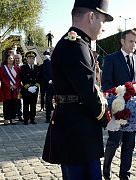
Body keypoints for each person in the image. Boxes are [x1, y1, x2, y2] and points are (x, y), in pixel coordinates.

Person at [42, 0, 113, 179]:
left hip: (78, 130)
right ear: (91, 17)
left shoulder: (78, 43)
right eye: (102, 20)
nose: (103, 27)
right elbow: (88, 91)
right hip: (77, 133)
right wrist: (108, 116)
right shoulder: (75, 45)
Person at [102, 29, 136, 180]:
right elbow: (106, 84)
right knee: (114, 142)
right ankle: (106, 171)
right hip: (117, 109)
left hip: (135, 112)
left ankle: (124, 174)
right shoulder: (111, 59)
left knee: (130, 144)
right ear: (122, 41)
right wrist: (117, 99)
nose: (133, 44)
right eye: (130, 41)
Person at [19, 51, 41, 125]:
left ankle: (32, 119)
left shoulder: (37, 67)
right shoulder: (23, 67)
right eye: (30, 58)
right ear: (27, 59)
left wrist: (36, 85)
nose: (31, 60)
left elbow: (39, 78)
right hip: (26, 89)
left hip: (34, 88)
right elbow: (21, 77)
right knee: (26, 104)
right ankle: (25, 119)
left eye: (33, 58)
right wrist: (27, 86)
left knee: (33, 104)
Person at [0, 54, 21, 125]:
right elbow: (2, 79)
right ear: (6, 59)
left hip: (15, 89)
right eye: (9, 58)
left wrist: (16, 85)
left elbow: (18, 79)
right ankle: (6, 119)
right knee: (6, 104)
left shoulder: (17, 68)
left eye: (12, 58)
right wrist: (9, 86)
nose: (10, 60)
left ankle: (13, 118)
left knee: (14, 104)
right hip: (6, 89)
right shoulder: (3, 68)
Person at [42, 49, 55, 123]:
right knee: (48, 101)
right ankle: (48, 117)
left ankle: (57, 117)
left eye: (54, 51)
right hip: (49, 85)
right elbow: (44, 73)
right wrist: (49, 80)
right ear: (49, 52)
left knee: (58, 101)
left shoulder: (58, 61)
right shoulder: (46, 62)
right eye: (51, 51)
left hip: (57, 85)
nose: (53, 52)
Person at [14, 54, 23, 122]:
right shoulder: (12, 67)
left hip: (22, 87)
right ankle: (14, 115)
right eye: (15, 58)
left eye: (18, 58)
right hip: (14, 87)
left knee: (20, 101)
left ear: (21, 59)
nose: (17, 59)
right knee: (16, 101)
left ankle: (20, 115)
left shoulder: (23, 67)